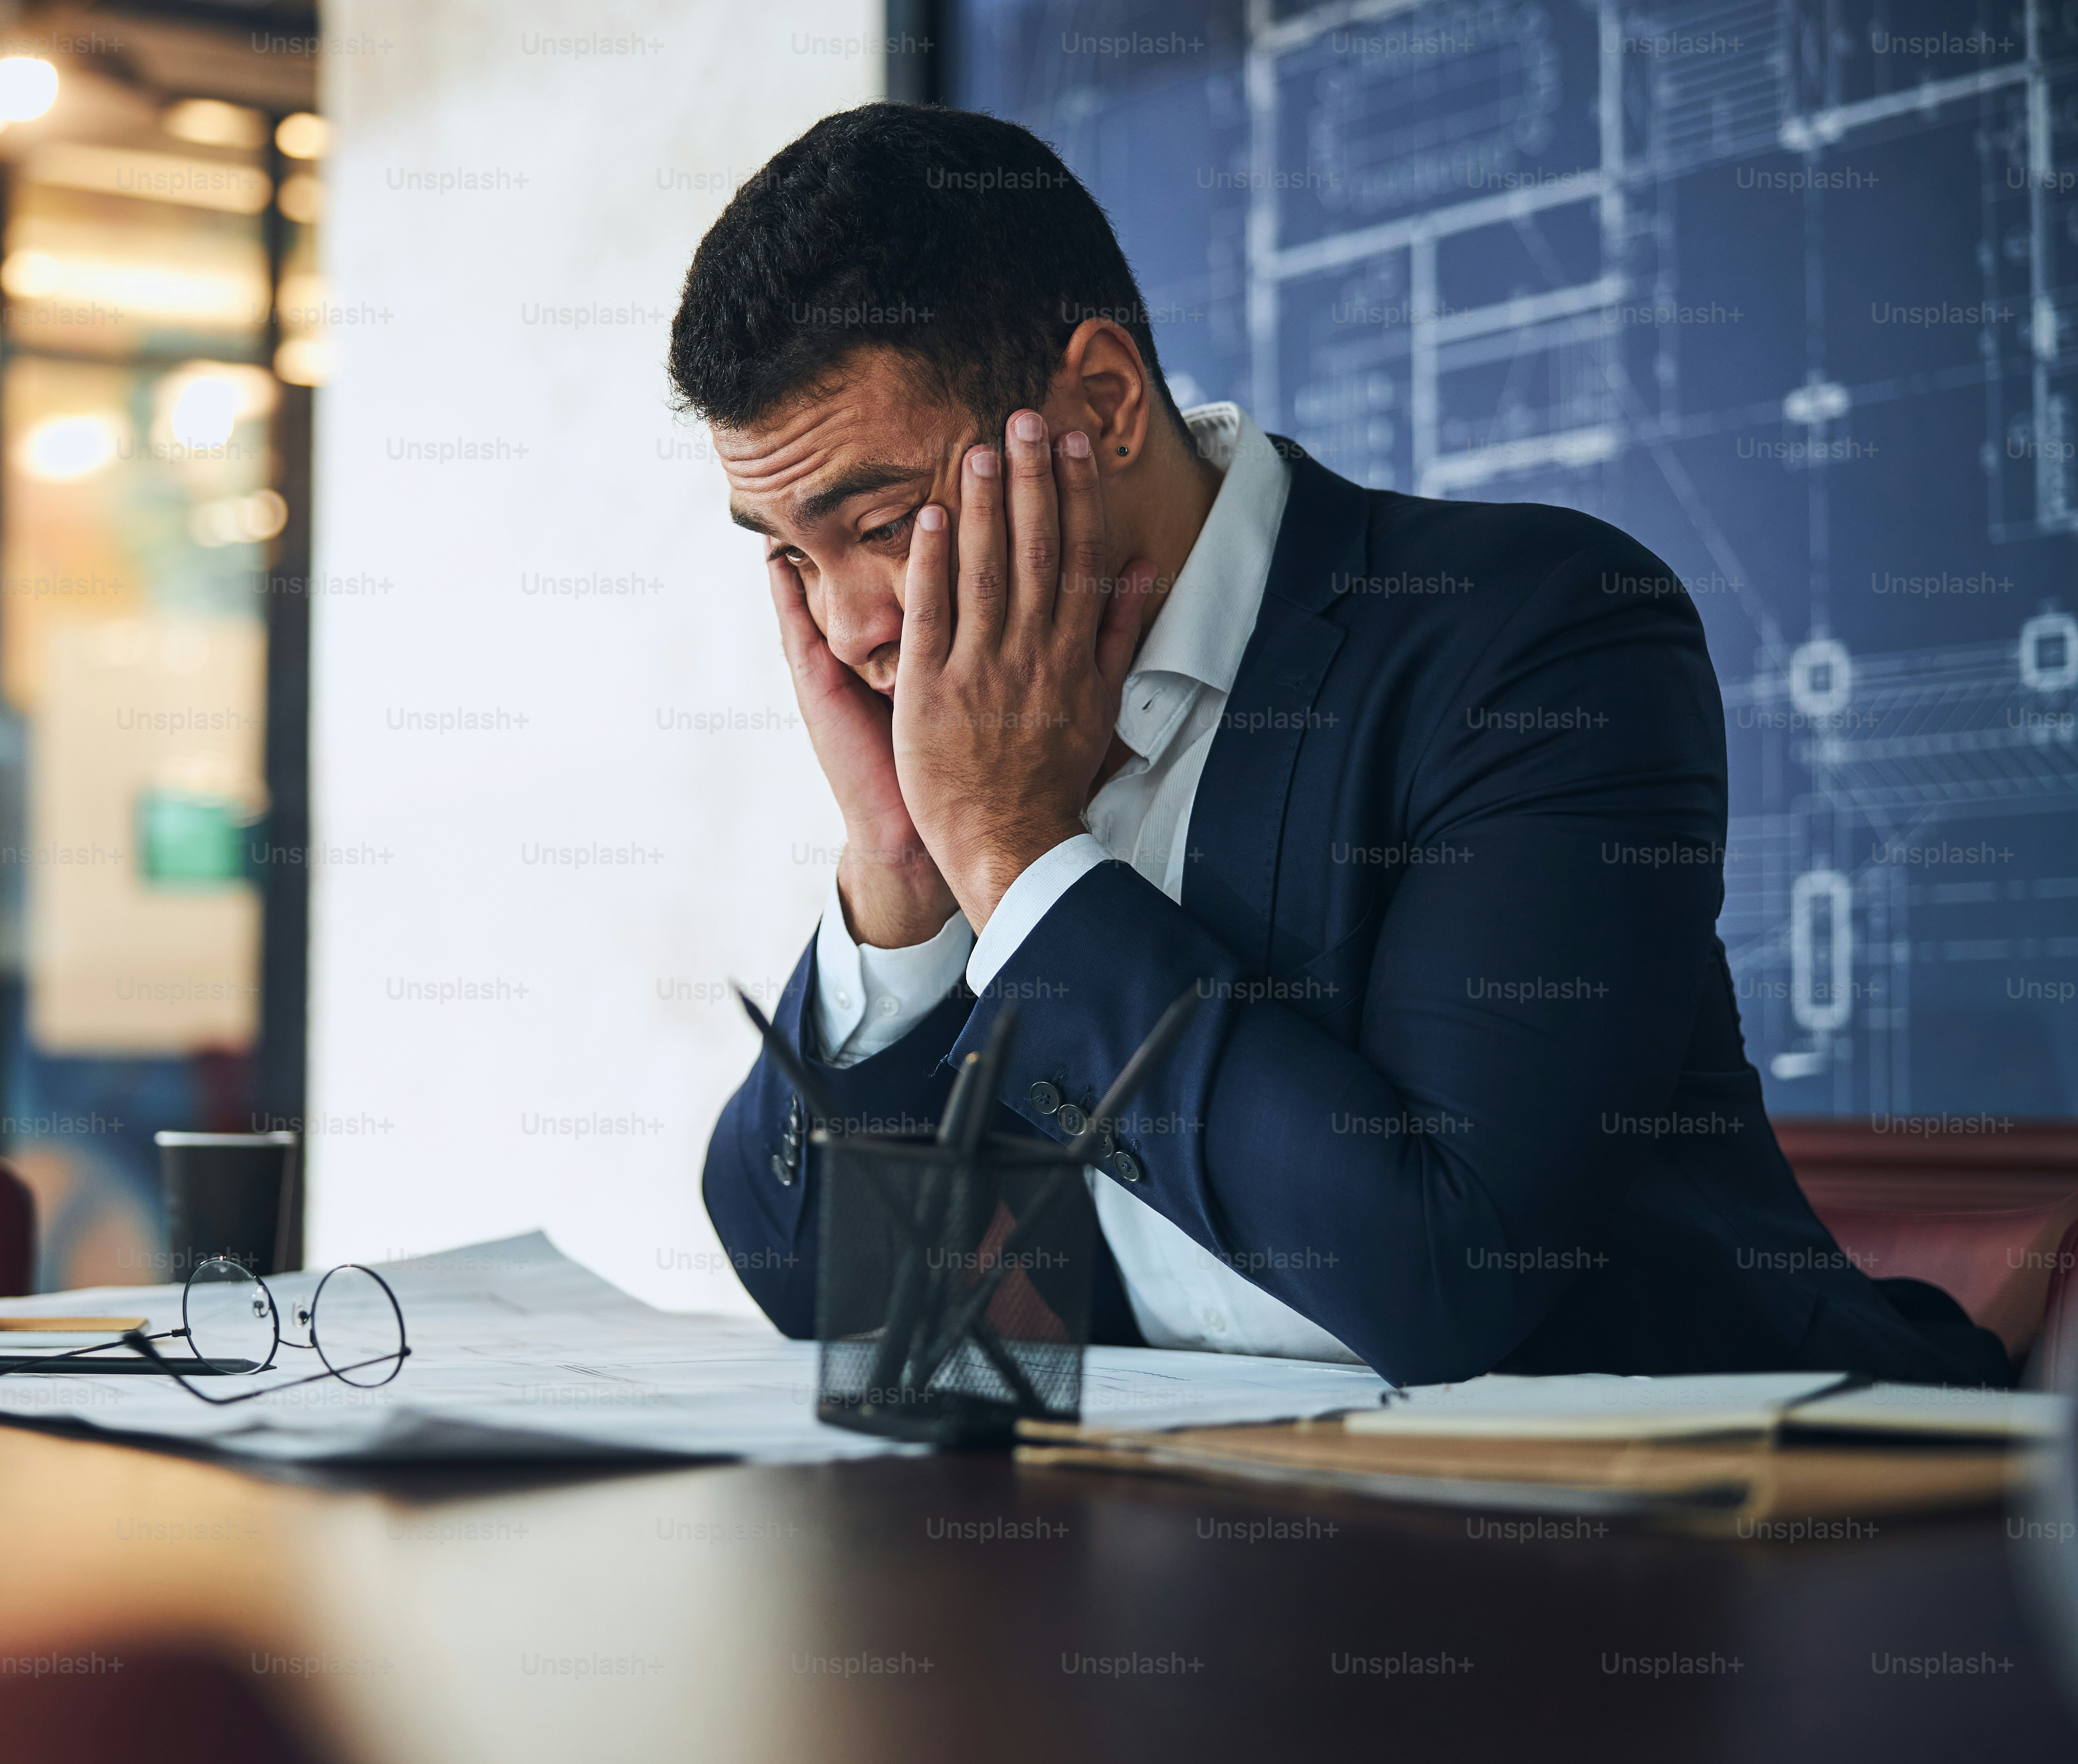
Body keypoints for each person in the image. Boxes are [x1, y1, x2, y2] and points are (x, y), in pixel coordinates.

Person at [670, 103, 2007, 1387]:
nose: (847, 623)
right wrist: (906, 876)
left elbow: (1446, 1275)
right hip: (1208, 1559)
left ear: (1104, 402)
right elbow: (828, 1296)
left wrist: (1019, 860)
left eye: (889, 523)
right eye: (792, 554)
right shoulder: (956, 790)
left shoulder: (1530, 637)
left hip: (1737, 1547)